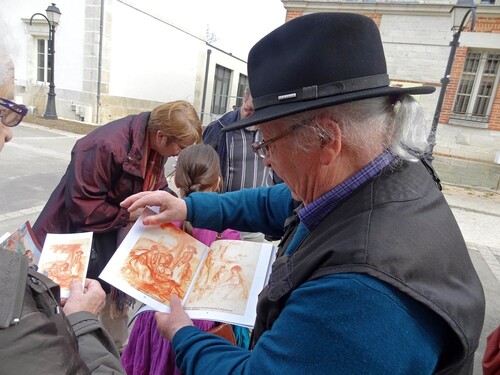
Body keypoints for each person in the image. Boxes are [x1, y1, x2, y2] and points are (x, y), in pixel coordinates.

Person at [121, 13, 485, 374]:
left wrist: (183, 334)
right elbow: (278, 202)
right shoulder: (381, 170)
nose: (265, 161)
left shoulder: (359, 295)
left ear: (327, 140)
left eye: (267, 142)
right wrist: (187, 207)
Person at [32, 98, 202, 348]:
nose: (180, 154)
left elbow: (153, 183)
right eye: (181, 147)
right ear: (162, 136)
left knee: (102, 321)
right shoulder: (104, 146)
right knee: (70, 325)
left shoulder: (152, 143)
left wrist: (172, 203)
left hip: (103, 238)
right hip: (72, 239)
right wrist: (127, 216)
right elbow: (82, 207)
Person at [0, 44, 124, 374]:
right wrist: (82, 321)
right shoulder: (102, 145)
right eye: (3, 111)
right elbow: (84, 207)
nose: (10, 133)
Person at [121, 144, 242, 375]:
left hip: (154, 322)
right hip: (199, 333)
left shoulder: (155, 221)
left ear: (176, 182)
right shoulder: (228, 234)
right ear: (217, 181)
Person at [203, 87, 279, 242]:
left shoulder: (274, 129)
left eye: (255, 112)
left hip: (258, 222)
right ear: (244, 99)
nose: (247, 114)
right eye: (246, 107)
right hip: (226, 220)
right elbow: (201, 170)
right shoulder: (219, 128)